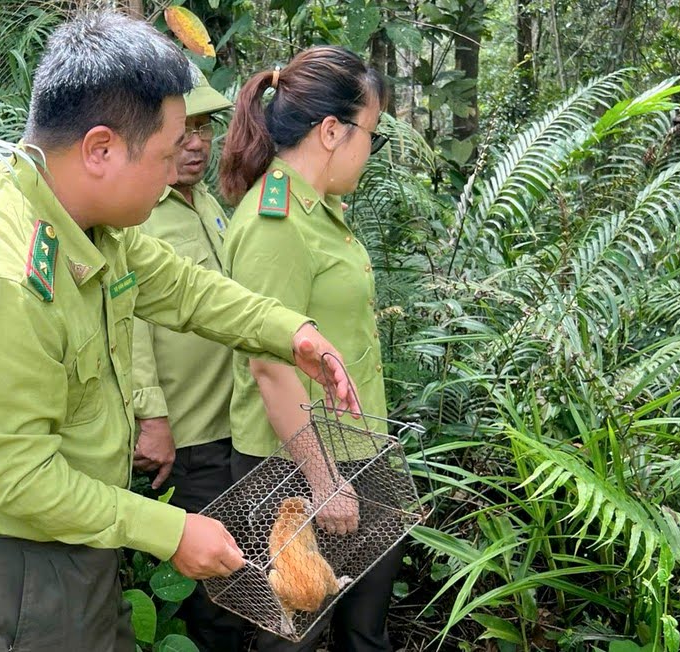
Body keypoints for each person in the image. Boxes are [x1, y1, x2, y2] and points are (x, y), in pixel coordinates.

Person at [0, 15, 359, 652]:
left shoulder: (91, 227)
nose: (183, 164)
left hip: (77, 541)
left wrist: (294, 334)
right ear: (101, 149)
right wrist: (171, 532)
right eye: (169, 151)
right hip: (14, 569)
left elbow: (185, 289)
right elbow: (17, 476)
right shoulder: (0, 279)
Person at [218, 46, 397, 652]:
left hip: (358, 453)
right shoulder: (277, 224)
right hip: (293, 470)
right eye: (370, 133)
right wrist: (323, 481)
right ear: (330, 131)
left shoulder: (322, 213)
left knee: (363, 630)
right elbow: (270, 367)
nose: (370, 150)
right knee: (291, 633)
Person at [130, 70, 248, 651]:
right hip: (186, 430)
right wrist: (151, 416)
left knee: (238, 567)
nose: (197, 142)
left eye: (205, 127)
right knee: (210, 591)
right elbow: (128, 323)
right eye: (185, 129)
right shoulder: (137, 213)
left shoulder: (209, 204)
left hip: (234, 421)